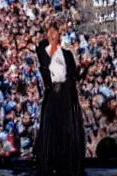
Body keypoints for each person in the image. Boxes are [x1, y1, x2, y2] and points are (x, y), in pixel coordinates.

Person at [35, 23, 86, 176]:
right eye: (49, 32)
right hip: (52, 94)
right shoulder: (43, 53)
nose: (52, 35)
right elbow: (44, 70)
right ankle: (50, 164)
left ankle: (68, 164)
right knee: (52, 129)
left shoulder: (67, 54)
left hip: (66, 94)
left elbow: (73, 75)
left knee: (67, 129)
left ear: (59, 35)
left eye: (54, 32)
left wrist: (84, 70)